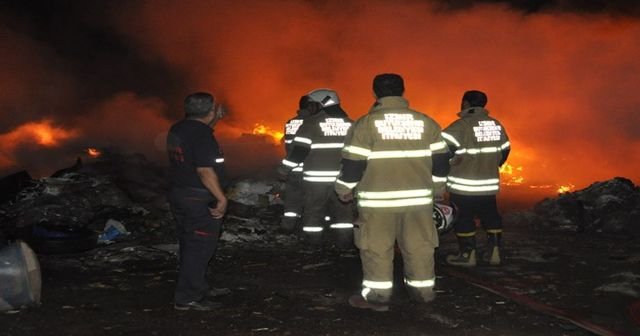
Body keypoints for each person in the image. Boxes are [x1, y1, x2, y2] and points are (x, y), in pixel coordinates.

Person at [335, 74, 450, 311]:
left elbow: (353, 164)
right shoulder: (426, 122)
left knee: (376, 248)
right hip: (418, 203)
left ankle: (378, 297)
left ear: (375, 92)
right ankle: (424, 293)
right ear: (403, 91)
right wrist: (439, 188)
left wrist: (344, 189)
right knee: (420, 246)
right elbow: (441, 161)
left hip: (379, 204)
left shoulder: (365, 124)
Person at [166, 92, 229, 311]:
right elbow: (204, 170)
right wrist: (221, 198)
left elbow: (196, 141)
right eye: (214, 109)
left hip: (180, 194)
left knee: (189, 243)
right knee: (199, 247)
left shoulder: (179, 128)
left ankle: (197, 286)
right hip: (198, 198)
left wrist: (214, 119)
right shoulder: (202, 136)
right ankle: (188, 297)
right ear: (210, 111)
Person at [441, 90, 510, 267]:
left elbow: (441, 151)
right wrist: (491, 165)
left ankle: (467, 255)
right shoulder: (495, 125)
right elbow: (505, 149)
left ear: (465, 103)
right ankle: (494, 252)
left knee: (463, 218)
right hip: (488, 184)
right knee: (490, 215)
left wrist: (450, 165)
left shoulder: (460, 126)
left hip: (463, 185)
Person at [278, 88, 355, 246]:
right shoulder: (351, 124)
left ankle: (312, 244)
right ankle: (344, 243)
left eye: (312, 105)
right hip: (343, 180)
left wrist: (284, 169)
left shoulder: (311, 124)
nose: (310, 108)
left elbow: (299, 151)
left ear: (320, 105)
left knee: (313, 212)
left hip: (315, 181)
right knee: (343, 214)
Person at [279, 95, 315, 232]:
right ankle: (307, 230)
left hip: (292, 169)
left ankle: (287, 227)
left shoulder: (291, 122)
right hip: (309, 169)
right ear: (312, 106)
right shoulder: (313, 123)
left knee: (292, 201)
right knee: (312, 202)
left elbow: (287, 145)